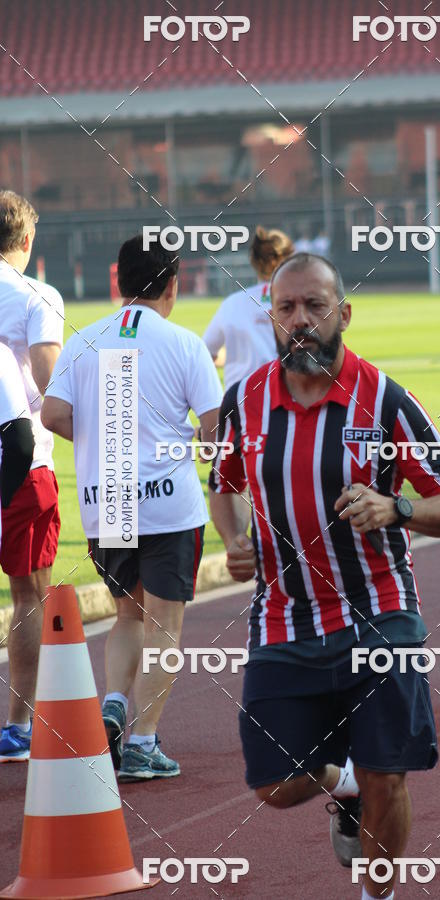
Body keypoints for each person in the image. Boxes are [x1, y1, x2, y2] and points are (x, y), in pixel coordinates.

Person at [209, 253, 440, 900]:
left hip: (378, 612)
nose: (300, 321)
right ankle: (341, 779)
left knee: (390, 774)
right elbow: (224, 483)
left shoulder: (386, 402)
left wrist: (396, 506)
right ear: (270, 316)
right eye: (287, 308)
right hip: (283, 616)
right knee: (272, 782)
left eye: (314, 307)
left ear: (342, 313)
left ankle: (376, 894)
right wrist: (236, 540)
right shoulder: (243, 400)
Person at [42, 236, 223, 781]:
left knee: (126, 614)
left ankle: (115, 703)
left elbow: (51, 413)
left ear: (118, 282)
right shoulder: (185, 343)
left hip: (109, 500)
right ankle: (142, 743)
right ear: (174, 284)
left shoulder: (84, 340)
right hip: (170, 506)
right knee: (165, 622)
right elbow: (214, 432)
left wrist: (99, 444)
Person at [0, 190, 63, 762]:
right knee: (29, 596)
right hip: (20, 460)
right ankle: (17, 725)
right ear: (26, 241)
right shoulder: (36, 296)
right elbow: (52, 390)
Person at [203, 226, 294, 390]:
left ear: (253, 260)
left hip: (239, 404)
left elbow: (205, 353)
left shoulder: (231, 303)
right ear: (288, 261)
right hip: (287, 403)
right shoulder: (300, 303)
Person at [0, 344, 35, 761]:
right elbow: (22, 440)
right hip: (24, 479)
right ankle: (19, 727)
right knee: (29, 597)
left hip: (20, 481)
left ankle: (19, 727)